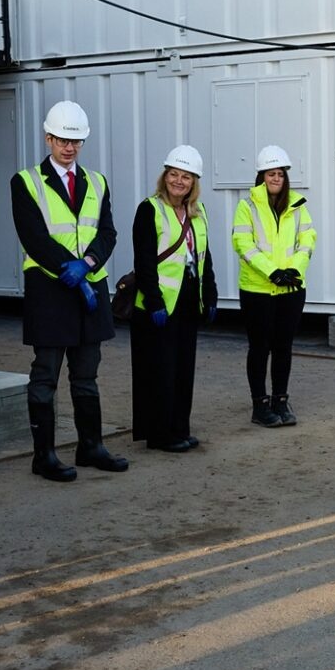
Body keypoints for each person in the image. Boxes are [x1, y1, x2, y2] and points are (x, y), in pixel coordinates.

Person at [11, 100, 126, 480]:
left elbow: (107, 232)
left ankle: (90, 446)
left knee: (86, 373)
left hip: (89, 287)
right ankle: (43, 456)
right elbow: (34, 237)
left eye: (76, 141)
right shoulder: (26, 182)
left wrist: (87, 264)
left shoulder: (97, 182)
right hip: (50, 290)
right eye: (62, 140)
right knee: (46, 373)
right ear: (48, 138)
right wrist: (69, 268)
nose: (69, 147)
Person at [131, 146, 218, 452]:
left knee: (183, 368)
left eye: (186, 177)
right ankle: (159, 434)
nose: (178, 181)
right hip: (159, 303)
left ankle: (180, 428)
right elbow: (144, 261)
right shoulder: (149, 209)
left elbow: (204, 256)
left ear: (194, 182)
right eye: (173, 174)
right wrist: (154, 301)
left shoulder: (198, 211)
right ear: (164, 176)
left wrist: (210, 294)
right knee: (160, 371)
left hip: (188, 298)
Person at [231, 144, 316, 427]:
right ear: (261, 177)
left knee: (284, 347)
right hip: (257, 290)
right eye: (271, 174)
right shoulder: (247, 207)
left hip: (291, 289)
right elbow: (243, 244)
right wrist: (272, 272)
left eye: (280, 174)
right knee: (259, 348)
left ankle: (280, 400)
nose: (276, 178)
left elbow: (307, 240)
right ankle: (260, 406)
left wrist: (294, 270)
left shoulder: (298, 206)